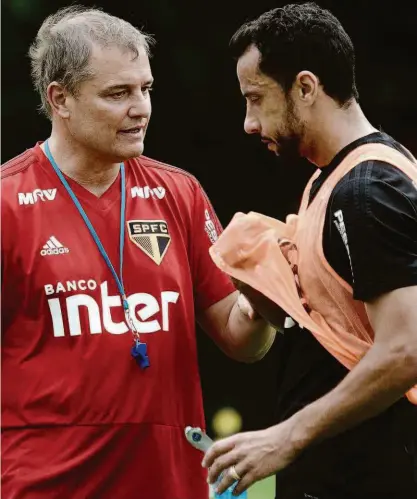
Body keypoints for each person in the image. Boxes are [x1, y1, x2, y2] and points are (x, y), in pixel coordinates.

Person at [0, 6, 276, 499]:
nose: (142, 108)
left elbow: (242, 340)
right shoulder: (7, 202)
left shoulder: (180, 193)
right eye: (118, 94)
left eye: (145, 89)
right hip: (43, 486)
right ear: (59, 99)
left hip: (169, 484)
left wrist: (268, 295)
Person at [202, 3, 417, 499]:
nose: (248, 123)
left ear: (305, 87)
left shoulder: (367, 190)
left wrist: (285, 437)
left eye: (256, 99)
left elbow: (404, 349)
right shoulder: (332, 178)